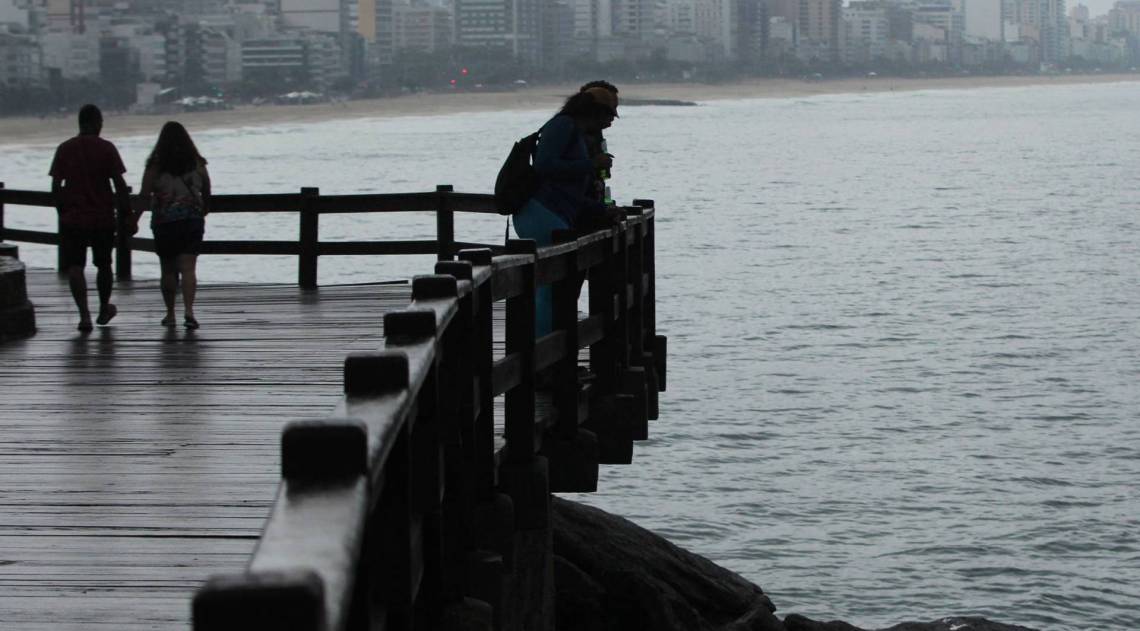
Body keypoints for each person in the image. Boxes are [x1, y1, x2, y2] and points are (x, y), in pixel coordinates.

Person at [515, 90, 621, 336]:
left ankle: (548, 352)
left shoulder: (577, 132)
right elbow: (544, 166)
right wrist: (590, 164)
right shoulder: (563, 126)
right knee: (550, 288)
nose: (611, 121)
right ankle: (541, 354)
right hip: (541, 213)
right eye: (608, 115)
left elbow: (571, 194)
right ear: (592, 111)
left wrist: (603, 209)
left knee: (554, 288)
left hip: (554, 213)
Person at [49, 103, 131, 332]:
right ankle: (104, 307)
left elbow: (55, 185)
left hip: (73, 218)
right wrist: (127, 213)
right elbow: (119, 183)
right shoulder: (107, 148)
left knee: (75, 266)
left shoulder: (64, 148)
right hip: (102, 217)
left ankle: (84, 315)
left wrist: (62, 211)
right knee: (104, 264)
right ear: (96, 123)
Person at [136, 122, 211, 329]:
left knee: (168, 270)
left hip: (165, 221)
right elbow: (207, 188)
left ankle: (170, 314)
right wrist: (204, 209)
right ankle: (189, 310)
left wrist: (134, 220)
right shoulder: (196, 162)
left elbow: (144, 195)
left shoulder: (155, 165)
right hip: (192, 219)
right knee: (188, 268)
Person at [578, 81, 620, 204]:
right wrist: (594, 163)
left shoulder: (595, 132)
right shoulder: (573, 131)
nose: (613, 117)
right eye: (610, 110)